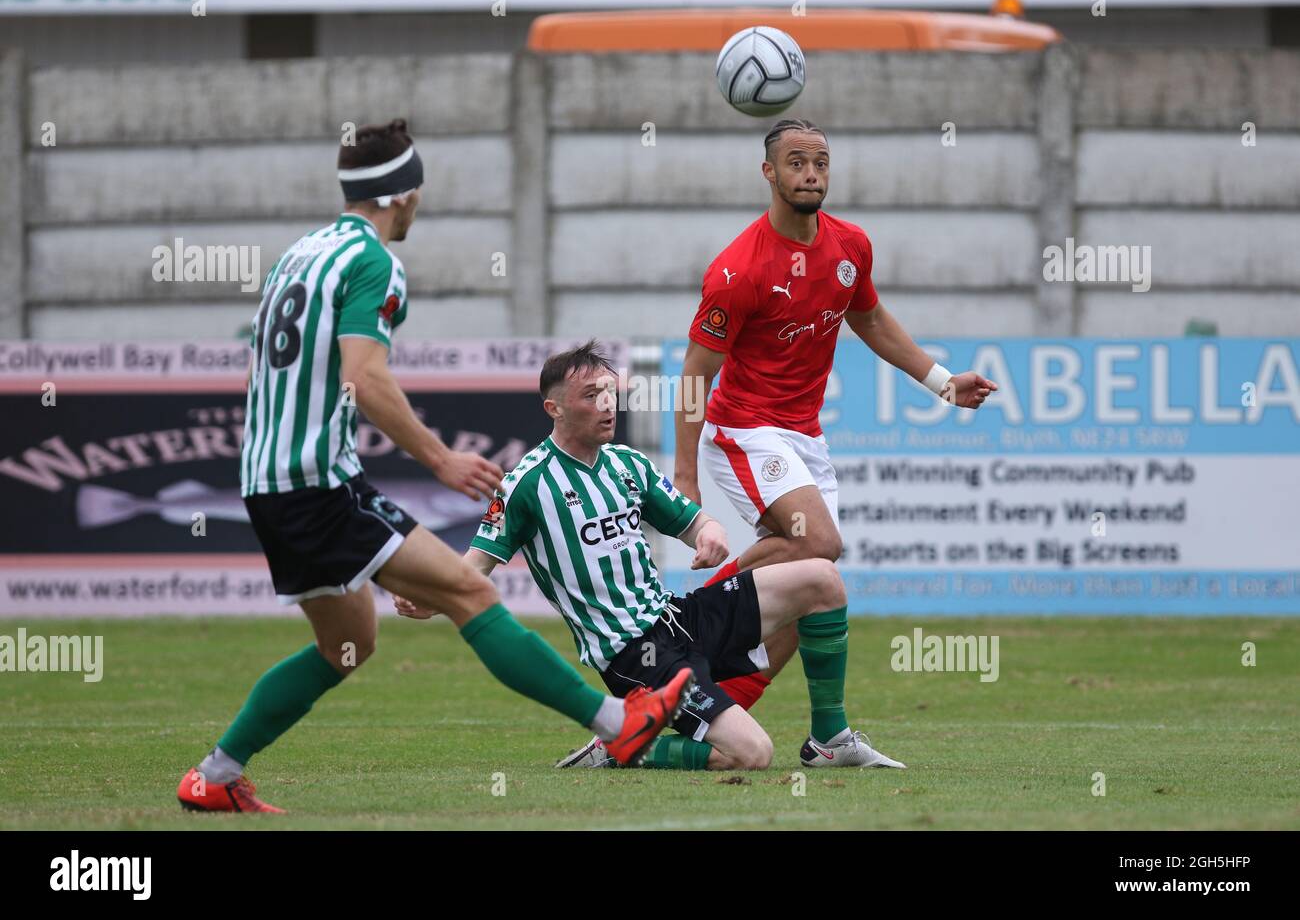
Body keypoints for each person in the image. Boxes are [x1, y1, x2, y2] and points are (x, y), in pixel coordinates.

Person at [177, 122, 690, 813]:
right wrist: (440, 459)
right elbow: (365, 376)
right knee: (469, 595)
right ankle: (617, 724)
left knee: (349, 645)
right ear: (404, 193)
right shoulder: (372, 262)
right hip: (319, 484)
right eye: (418, 190)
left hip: (267, 481)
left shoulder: (300, 254)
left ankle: (215, 775)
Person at [396, 341, 904, 770]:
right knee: (752, 754)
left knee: (821, 578)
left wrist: (709, 535)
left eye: (609, 393)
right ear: (554, 409)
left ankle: (829, 741)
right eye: (590, 395)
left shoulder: (627, 465)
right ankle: (625, 742)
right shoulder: (527, 484)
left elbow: (693, 519)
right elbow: (475, 567)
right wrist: (432, 595)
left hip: (678, 618)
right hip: (635, 654)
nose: (606, 405)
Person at [673, 118, 999, 712]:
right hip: (743, 428)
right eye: (796, 163)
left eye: (820, 162)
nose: (811, 173)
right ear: (769, 173)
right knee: (819, 542)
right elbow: (696, 375)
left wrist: (943, 383)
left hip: (804, 436)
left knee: (810, 582)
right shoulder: (736, 270)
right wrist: (687, 479)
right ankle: (684, 622)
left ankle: (723, 712)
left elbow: (870, 320)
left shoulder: (850, 246)